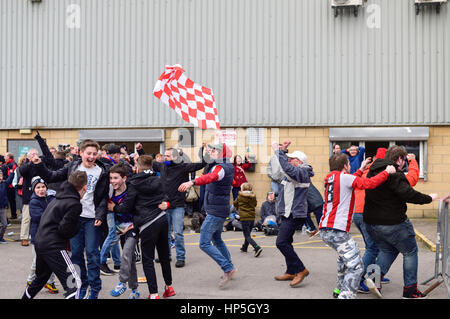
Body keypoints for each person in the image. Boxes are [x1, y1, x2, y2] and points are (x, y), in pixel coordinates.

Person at [30, 139, 110, 299]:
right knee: (75, 255)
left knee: (93, 255)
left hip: (92, 218)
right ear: (81, 153)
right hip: (74, 217)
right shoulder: (73, 167)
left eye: (95, 154)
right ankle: (81, 286)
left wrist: (100, 215)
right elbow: (52, 176)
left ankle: (94, 289)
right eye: (89, 153)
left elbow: (102, 197)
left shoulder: (102, 170)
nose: (92, 156)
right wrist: (39, 164)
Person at [363, 145, 439, 299]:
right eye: (403, 160)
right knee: (410, 252)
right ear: (399, 159)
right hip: (393, 222)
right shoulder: (395, 174)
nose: (404, 163)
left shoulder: (373, 170)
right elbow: (408, 193)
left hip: (371, 223)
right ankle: (410, 291)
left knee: (387, 250)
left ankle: (373, 279)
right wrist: (429, 198)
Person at [319, 153, 396, 299]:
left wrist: (360, 169)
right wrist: (387, 172)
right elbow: (369, 184)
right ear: (345, 166)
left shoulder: (331, 178)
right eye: (349, 163)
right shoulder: (346, 178)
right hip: (337, 230)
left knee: (344, 259)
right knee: (356, 266)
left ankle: (339, 290)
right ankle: (346, 296)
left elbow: (350, 180)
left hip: (325, 229)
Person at [109, 155, 176, 300]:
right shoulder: (158, 180)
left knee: (147, 260)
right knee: (164, 257)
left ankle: (154, 294)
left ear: (138, 167)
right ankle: (169, 287)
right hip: (162, 219)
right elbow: (167, 197)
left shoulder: (134, 183)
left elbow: (127, 207)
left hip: (147, 223)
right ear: (151, 166)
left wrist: (114, 208)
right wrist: (167, 204)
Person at [22, 171, 88, 299]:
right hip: (54, 246)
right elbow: (64, 229)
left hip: (40, 242)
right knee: (75, 285)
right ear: (85, 187)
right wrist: (78, 226)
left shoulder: (58, 197)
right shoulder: (74, 204)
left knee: (40, 279)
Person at [179, 143, 236, 288]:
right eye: (210, 150)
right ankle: (230, 265)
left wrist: (192, 181)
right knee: (217, 239)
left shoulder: (220, 168)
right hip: (217, 208)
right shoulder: (223, 165)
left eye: (213, 151)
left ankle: (228, 268)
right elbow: (211, 176)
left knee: (204, 243)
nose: (210, 152)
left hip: (216, 211)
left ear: (222, 153)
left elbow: (211, 177)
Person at [152, 148, 206, 268]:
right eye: (165, 155)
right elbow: (147, 162)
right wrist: (140, 151)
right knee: (164, 233)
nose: (165, 158)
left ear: (175, 157)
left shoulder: (183, 167)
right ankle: (166, 255)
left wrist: (205, 152)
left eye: (168, 156)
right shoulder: (162, 166)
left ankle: (181, 257)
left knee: (177, 233)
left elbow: (201, 164)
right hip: (164, 205)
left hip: (177, 206)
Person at [271, 141, 312, 288]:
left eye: (292, 159)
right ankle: (291, 271)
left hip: (295, 214)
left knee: (281, 242)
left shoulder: (302, 172)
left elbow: (288, 169)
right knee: (287, 242)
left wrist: (278, 152)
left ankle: (301, 269)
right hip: (287, 213)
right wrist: (282, 151)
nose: (288, 161)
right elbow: (278, 172)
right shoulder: (293, 171)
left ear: (299, 162)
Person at [108, 164, 140, 299]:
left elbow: (130, 208)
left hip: (133, 227)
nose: (113, 181)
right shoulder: (109, 192)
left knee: (126, 254)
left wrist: (115, 208)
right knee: (130, 260)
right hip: (120, 229)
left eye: (116, 178)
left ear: (124, 178)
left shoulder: (131, 190)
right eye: (111, 178)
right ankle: (135, 291)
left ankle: (122, 282)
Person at [26, 176, 58, 294]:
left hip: (51, 237)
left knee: (51, 261)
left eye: (43, 187)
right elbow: (40, 217)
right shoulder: (33, 201)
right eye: (38, 187)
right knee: (36, 261)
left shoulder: (51, 198)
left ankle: (49, 281)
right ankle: (30, 280)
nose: (41, 190)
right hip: (38, 238)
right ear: (34, 189)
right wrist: (55, 217)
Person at [19, 149, 43, 247]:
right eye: (32, 154)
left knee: (41, 217)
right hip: (28, 195)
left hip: (41, 194)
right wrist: (31, 163)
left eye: (36, 154)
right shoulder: (25, 165)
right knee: (26, 218)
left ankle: (41, 236)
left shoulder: (41, 164)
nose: (35, 156)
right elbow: (22, 171)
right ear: (28, 157)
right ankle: (24, 237)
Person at [233, 183, 262, 257]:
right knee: (248, 233)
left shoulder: (240, 196)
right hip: (251, 217)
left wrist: (238, 207)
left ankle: (256, 247)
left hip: (244, 217)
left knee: (246, 235)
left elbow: (235, 204)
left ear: (242, 189)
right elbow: (255, 204)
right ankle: (244, 247)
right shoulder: (253, 197)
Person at [0, 168, 15, 244]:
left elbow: (10, 179)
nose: (0, 177)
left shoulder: (4, 184)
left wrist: (12, 172)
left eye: (1, 175)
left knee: (4, 224)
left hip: (2, 208)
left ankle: (0, 238)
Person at [4, 153, 17, 220]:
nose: (4, 157)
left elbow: (12, 175)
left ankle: (14, 214)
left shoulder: (13, 164)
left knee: (12, 200)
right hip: (7, 184)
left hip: (10, 185)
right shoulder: (6, 164)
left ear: (9, 157)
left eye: (5, 156)